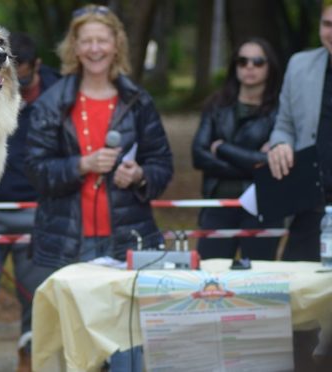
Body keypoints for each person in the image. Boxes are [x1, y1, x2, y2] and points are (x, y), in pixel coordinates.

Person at [25, 4, 173, 371]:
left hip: (127, 240)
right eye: (86, 41)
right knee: (76, 348)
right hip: (68, 244)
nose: (94, 49)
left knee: (127, 348)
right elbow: (34, 170)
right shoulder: (51, 104)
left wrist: (139, 175)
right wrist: (81, 165)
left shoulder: (137, 101)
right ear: (74, 48)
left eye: (102, 41)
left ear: (116, 45)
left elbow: (162, 165)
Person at [0, 31, 59, 372]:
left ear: (37, 65)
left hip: (37, 210)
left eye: (21, 68)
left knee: (37, 296)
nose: (12, 74)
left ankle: (30, 358)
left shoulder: (59, 93)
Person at [192, 38, 283, 261]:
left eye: (258, 61)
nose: (249, 67)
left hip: (263, 208)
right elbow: (198, 155)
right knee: (209, 278)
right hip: (218, 205)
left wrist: (222, 148)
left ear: (270, 66)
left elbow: (274, 164)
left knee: (261, 280)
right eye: (243, 61)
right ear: (235, 66)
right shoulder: (216, 105)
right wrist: (254, 163)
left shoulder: (281, 110)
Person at [267, 3, 332, 262]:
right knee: (300, 291)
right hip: (309, 202)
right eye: (327, 25)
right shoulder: (299, 65)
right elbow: (284, 125)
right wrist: (280, 144)